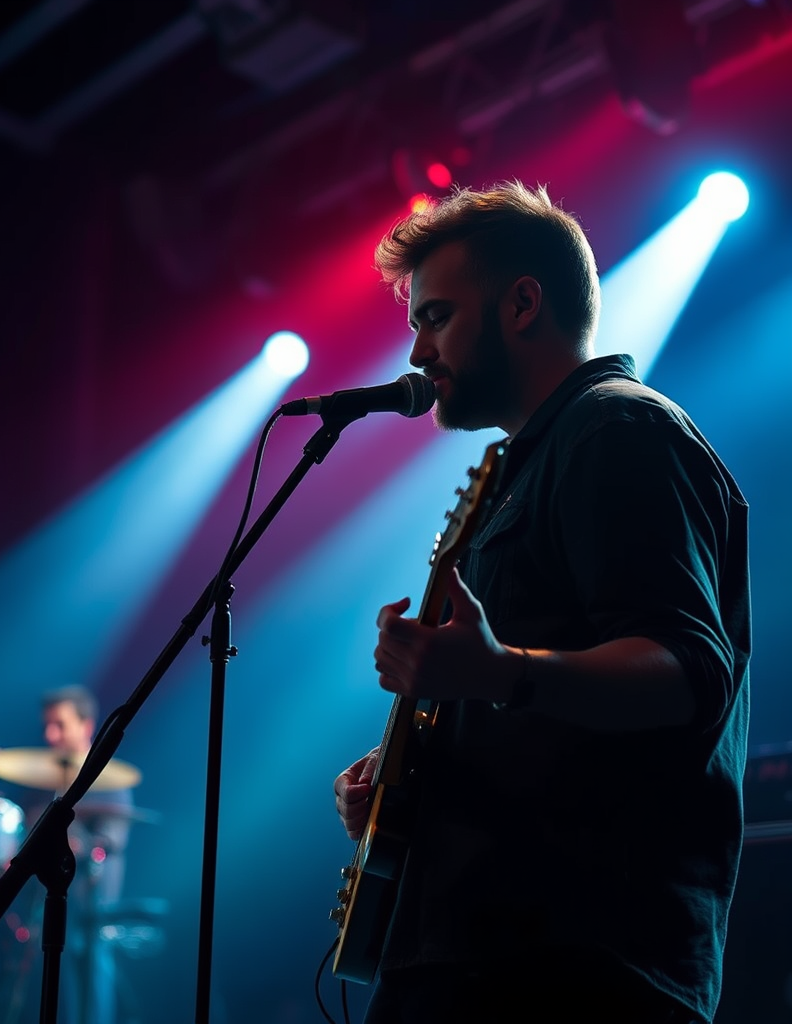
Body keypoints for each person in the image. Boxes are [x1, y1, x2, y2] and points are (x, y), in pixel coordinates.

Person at [333, 182, 750, 1024]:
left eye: (437, 316)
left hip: (569, 964)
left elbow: (686, 671)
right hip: (478, 954)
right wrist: (404, 780)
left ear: (523, 304)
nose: (417, 351)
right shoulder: (528, 461)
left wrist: (497, 671)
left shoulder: (618, 430)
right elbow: (525, 699)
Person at [0, 685, 134, 1024]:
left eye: (60, 725)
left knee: (85, 1006)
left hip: (87, 914)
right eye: (47, 725)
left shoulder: (110, 780)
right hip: (41, 911)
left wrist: (72, 838)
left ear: (86, 726)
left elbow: (109, 841)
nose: (50, 735)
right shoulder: (45, 783)